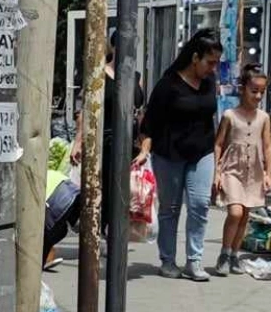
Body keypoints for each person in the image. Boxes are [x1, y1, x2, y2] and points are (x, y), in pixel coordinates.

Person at [135, 28, 222, 282]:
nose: (213, 68)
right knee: (170, 208)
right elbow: (149, 123)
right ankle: (168, 260)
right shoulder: (168, 85)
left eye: (216, 63)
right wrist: (144, 150)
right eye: (210, 62)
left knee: (199, 205)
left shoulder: (209, 83)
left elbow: (209, 117)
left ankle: (194, 261)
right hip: (169, 154)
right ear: (195, 58)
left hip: (202, 152)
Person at [69, 31, 145, 239]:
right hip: (106, 141)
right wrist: (78, 142)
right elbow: (85, 110)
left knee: (126, 192)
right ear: (114, 47)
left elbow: (139, 112)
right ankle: (103, 232)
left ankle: (114, 232)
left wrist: (145, 144)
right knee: (108, 191)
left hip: (130, 143)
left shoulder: (136, 77)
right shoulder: (99, 74)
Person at [212, 62, 271, 276]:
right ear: (243, 88)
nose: (258, 96)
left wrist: (268, 173)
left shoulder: (264, 117)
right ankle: (224, 252)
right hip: (232, 169)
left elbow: (266, 146)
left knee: (245, 214)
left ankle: (235, 255)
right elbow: (218, 143)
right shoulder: (230, 115)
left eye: (262, 92)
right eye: (254, 90)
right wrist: (216, 172)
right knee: (235, 212)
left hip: (253, 171)